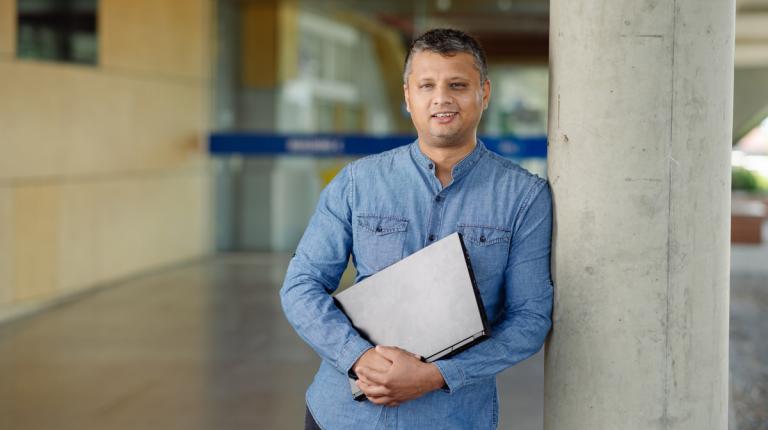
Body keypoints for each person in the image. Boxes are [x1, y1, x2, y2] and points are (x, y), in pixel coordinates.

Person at [281, 28, 553, 430]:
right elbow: (301, 285)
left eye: (457, 85)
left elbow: (530, 317)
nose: (441, 98)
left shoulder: (525, 197)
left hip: (453, 417)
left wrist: (437, 376)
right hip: (343, 416)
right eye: (427, 85)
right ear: (408, 96)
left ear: (485, 93)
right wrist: (358, 357)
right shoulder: (357, 182)